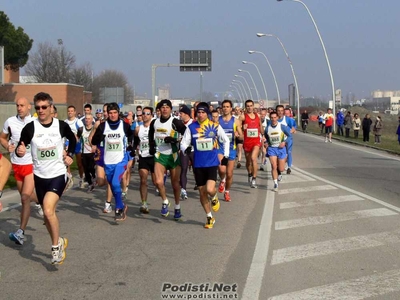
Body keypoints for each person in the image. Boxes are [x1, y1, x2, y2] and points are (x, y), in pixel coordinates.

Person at [15, 92, 76, 265]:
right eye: (38, 108)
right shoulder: (30, 128)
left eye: (44, 107)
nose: (41, 110)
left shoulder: (60, 125)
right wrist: (18, 151)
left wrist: (70, 154)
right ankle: (60, 241)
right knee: (48, 217)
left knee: (48, 210)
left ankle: (56, 248)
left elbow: (73, 139)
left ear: (51, 107)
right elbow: (20, 147)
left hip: (57, 174)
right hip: (40, 177)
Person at [0, 97, 43, 246]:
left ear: (29, 107)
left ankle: (20, 232)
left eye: (22, 105)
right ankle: (42, 202)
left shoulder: (36, 123)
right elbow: (2, 137)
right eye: (17, 105)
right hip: (16, 166)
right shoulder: (10, 122)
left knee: (24, 198)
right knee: (28, 197)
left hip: (31, 165)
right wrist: (6, 146)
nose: (19, 108)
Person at [180, 102, 229, 228]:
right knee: (202, 193)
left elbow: (226, 140)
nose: (200, 115)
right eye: (198, 113)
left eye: (203, 113)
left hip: (211, 162)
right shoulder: (191, 127)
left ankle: (214, 196)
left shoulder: (214, 126)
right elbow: (184, 143)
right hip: (198, 163)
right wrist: (185, 149)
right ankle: (209, 217)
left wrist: (225, 156)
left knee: (209, 189)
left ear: (207, 114)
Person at [91, 102, 133, 221]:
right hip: (108, 161)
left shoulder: (124, 125)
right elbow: (94, 140)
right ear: (107, 114)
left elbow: (131, 136)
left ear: (118, 113)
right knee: (113, 186)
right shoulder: (103, 126)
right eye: (110, 113)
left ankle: (119, 208)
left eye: (115, 113)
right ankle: (122, 205)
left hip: (121, 160)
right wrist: (99, 137)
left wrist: (131, 148)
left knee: (115, 183)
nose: (113, 115)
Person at [148, 99, 187, 220]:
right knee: (158, 182)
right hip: (160, 155)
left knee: (175, 185)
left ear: (171, 109)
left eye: (167, 107)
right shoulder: (154, 122)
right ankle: (165, 201)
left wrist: (176, 140)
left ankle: (177, 207)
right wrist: (151, 146)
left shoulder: (175, 122)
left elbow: (187, 135)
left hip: (173, 155)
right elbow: (150, 135)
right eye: (162, 107)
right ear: (159, 110)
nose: (165, 109)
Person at [217, 100, 243, 202]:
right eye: (224, 106)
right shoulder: (218, 120)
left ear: (231, 108)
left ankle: (227, 192)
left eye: (227, 106)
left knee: (229, 174)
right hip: (220, 148)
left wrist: (238, 134)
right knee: (222, 169)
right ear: (221, 108)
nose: (225, 108)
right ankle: (222, 180)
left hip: (231, 149)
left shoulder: (236, 121)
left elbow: (241, 136)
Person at [134, 106, 156, 213]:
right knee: (143, 180)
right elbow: (134, 142)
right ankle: (144, 203)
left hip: (154, 157)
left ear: (151, 115)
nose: (145, 115)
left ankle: (164, 201)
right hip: (143, 157)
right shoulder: (138, 129)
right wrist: (133, 149)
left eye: (147, 113)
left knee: (156, 182)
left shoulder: (155, 127)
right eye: (143, 113)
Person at [264, 111, 292, 192]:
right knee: (273, 166)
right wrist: (266, 143)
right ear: (270, 118)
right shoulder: (267, 128)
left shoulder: (282, 127)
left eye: (274, 117)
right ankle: (275, 183)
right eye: (271, 118)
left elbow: (290, 136)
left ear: (277, 118)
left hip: (281, 149)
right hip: (272, 149)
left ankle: (281, 168)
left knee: (281, 168)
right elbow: (265, 137)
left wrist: (284, 142)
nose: (273, 119)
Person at [238, 100, 263, 188]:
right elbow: (237, 127)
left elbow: (260, 127)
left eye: (251, 105)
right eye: (247, 106)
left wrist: (264, 135)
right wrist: (242, 128)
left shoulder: (258, 116)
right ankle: (249, 174)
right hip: (247, 142)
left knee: (253, 159)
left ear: (253, 106)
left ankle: (254, 179)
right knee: (248, 162)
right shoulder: (242, 117)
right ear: (245, 107)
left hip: (256, 141)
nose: (249, 107)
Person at [65, 105, 84, 187]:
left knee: (79, 163)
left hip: (77, 144)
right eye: (69, 111)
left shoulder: (78, 121)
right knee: (67, 162)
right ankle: (69, 178)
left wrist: (77, 136)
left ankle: (81, 178)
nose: (70, 112)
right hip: (68, 144)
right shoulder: (65, 122)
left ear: (75, 112)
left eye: (71, 111)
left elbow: (81, 130)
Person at [178, 105, 193, 200]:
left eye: (181, 113)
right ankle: (183, 189)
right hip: (183, 150)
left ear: (187, 114)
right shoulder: (179, 124)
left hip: (194, 150)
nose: (180, 115)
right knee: (183, 169)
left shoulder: (193, 123)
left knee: (197, 169)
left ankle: (201, 186)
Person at [276, 105, 296, 175]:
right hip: (278, 140)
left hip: (288, 139)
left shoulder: (287, 119)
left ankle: (289, 167)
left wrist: (293, 129)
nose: (280, 112)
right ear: (276, 111)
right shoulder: (274, 119)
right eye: (278, 111)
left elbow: (294, 125)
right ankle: (280, 167)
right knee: (280, 154)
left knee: (289, 152)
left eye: (282, 111)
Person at [80, 114, 97, 192]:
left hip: (92, 152)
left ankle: (94, 176)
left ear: (92, 119)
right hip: (84, 152)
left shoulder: (95, 128)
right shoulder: (81, 129)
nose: (87, 120)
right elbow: (76, 138)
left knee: (91, 167)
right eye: (86, 119)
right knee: (86, 169)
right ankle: (90, 184)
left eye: (89, 119)